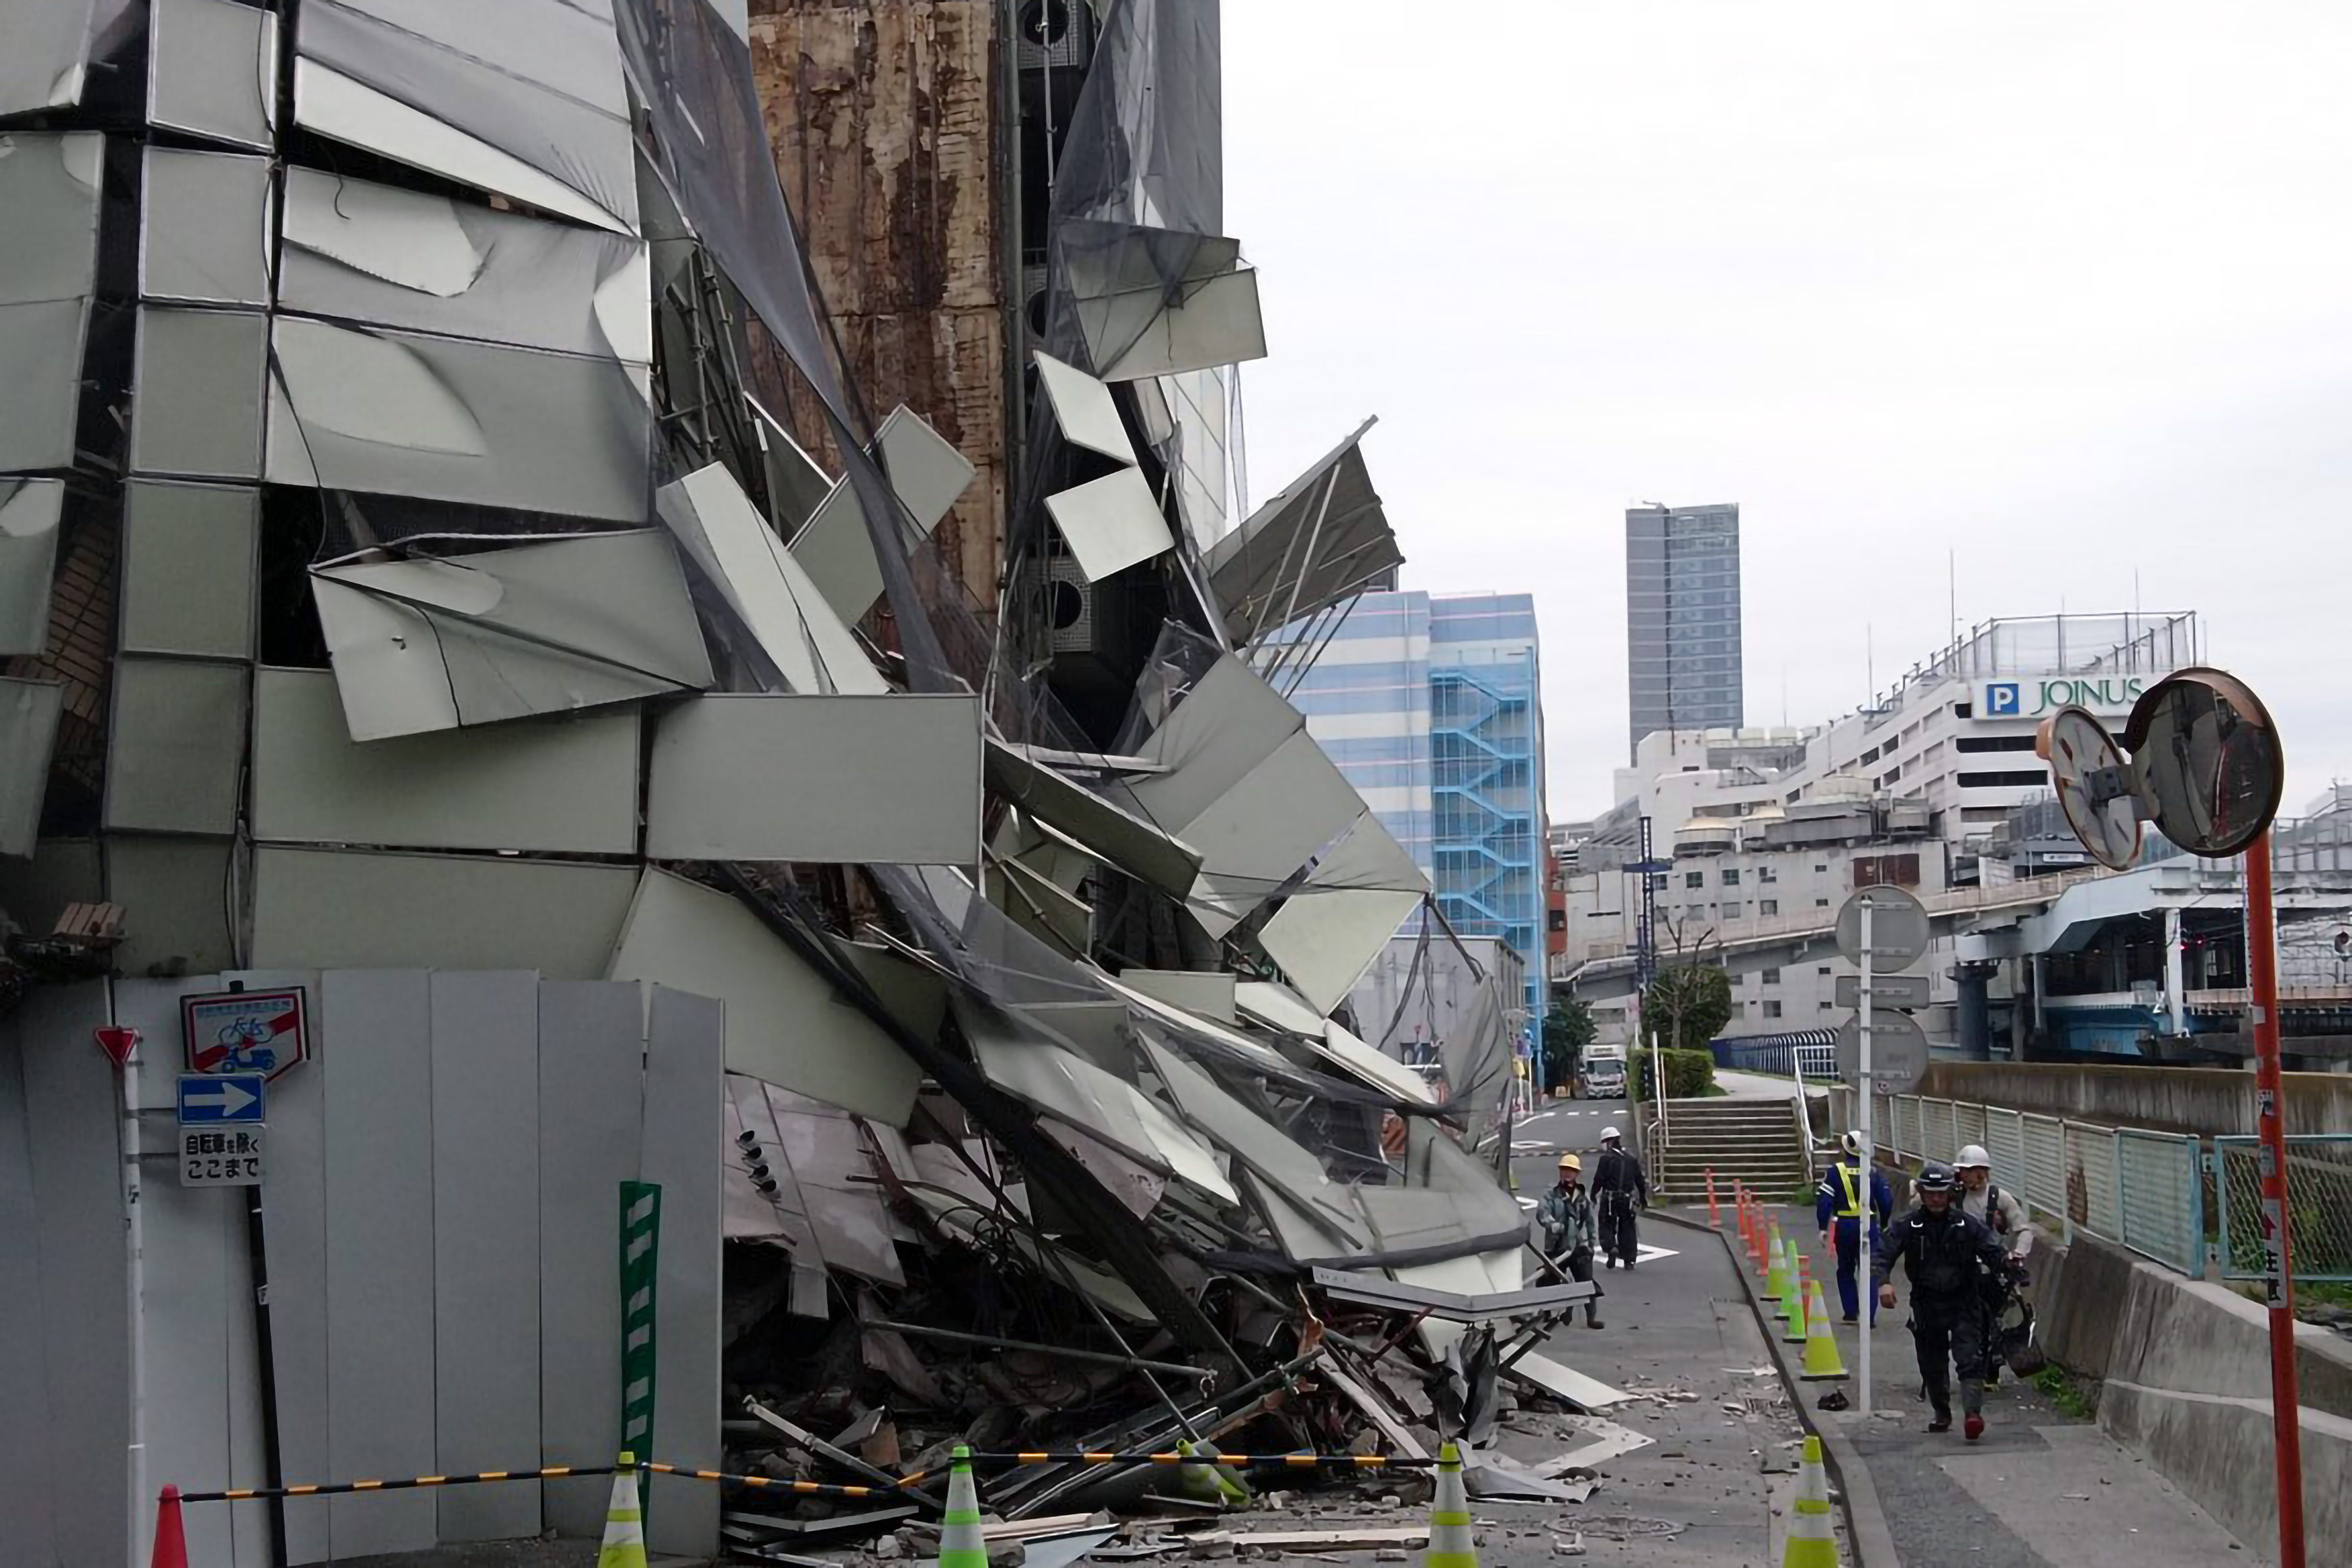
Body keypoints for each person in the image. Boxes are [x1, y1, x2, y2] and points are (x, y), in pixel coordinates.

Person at [1874, 1162, 2019, 1440]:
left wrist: (2008, 1265)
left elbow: (1992, 1250)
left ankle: (1973, 1415)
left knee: (1970, 1358)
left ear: (1950, 1194)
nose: (1937, 1199)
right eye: (1931, 1193)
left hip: (1964, 1301)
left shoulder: (1966, 1225)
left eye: (1942, 1193)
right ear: (1923, 1194)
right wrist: (1884, 1283)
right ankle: (1942, 1412)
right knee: (1932, 1363)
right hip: (1926, 1303)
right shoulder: (1909, 1225)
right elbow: (1883, 1254)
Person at [1952, 1145, 2033, 1389]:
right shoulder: (1953, 1196)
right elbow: (1921, 1203)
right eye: (1963, 1171)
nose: (1967, 1177)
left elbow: (2024, 1230)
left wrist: (2018, 1255)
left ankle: (1991, 1372)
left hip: (1993, 1272)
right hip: (1962, 1270)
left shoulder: (2000, 1198)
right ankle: (1968, 1367)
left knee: (1992, 1321)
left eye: (1972, 1171)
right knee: (1965, 1321)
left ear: (1984, 1172)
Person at [1815, 1130, 1894, 1324]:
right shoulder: (1873, 1171)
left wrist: (1823, 1226)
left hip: (1845, 1225)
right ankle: (1869, 1315)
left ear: (1846, 1149)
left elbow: (1825, 1201)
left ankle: (1851, 1311)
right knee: (1870, 1270)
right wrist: (1884, 1222)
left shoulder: (1836, 1171)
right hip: (1869, 1225)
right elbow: (1886, 1201)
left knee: (1846, 1268)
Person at [1536, 1153, 1604, 1328]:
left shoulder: (1583, 1196)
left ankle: (1591, 1318)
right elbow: (1542, 1214)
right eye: (1565, 1169)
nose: (1568, 1173)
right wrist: (1556, 1226)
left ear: (1577, 1174)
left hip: (1579, 1246)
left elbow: (1590, 1222)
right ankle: (1548, 1314)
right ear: (1560, 1171)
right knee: (1549, 1281)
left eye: (1572, 1171)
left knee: (1586, 1282)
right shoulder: (1551, 1194)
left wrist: (1591, 1245)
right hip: (1556, 1246)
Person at [1589, 1126, 1648, 1269]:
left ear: (1608, 1142)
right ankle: (1629, 1260)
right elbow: (1640, 1180)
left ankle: (1611, 1248)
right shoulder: (1631, 1159)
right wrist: (1643, 1197)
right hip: (1627, 1199)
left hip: (1610, 1198)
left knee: (1606, 1224)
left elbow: (1599, 1179)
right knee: (1628, 1227)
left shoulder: (1606, 1159)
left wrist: (1593, 1194)